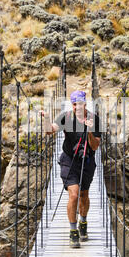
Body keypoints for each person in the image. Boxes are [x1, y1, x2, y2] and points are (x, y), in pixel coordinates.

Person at [42, 90, 101, 248]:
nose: (77, 107)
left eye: (80, 104)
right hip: (69, 160)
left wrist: (89, 131)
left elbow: (95, 146)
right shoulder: (66, 117)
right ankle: (73, 231)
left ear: (85, 104)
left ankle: (83, 221)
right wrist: (47, 118)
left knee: (84, 195)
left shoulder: (94, 119)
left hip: (87, 161)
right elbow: (49, 130)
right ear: (72, 104)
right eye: (74, 104)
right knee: (74, 195)